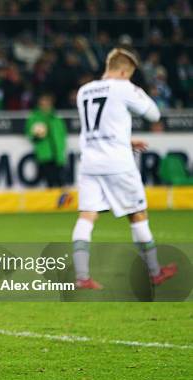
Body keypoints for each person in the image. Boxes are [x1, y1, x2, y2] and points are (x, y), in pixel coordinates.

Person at [72, 45, 177, 290]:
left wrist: (126, 140)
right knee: (137, 215)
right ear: (123, 72)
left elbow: (97, 127)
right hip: (117, 163)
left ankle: (82, 277)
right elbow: (154, 115)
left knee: (87, 216)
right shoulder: (125, 87)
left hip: (90, 162)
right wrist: (137, 90)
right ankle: (155, 272)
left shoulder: (84, 91)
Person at [25, 92, 67, 187]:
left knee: (61, 183)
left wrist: (61, 150)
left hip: (58, 155)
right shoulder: (34, 117)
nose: (46, 103)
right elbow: (30, 134)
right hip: (45, 155)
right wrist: (36, 135)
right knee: (50, 183)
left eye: (48, 101)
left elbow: (62, 136)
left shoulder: (56, 118)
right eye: (44, 100)